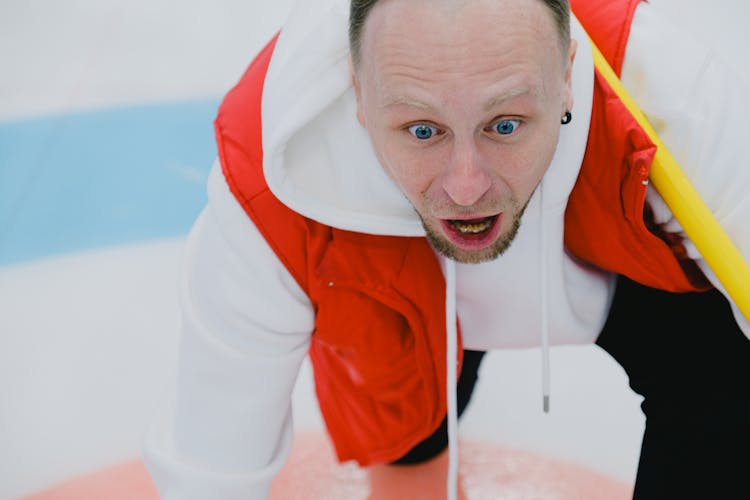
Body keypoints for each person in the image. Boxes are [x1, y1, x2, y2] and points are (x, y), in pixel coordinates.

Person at [144, 0, 750, 498]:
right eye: (423, 130)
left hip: (633, 264)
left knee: (729, 399)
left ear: (567, 75)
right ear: (357, 91)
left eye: (506, 123)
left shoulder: (674, 101)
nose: (467, 187)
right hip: (389, 291)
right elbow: (212, 465)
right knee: (407, 452)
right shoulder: (274, 179)